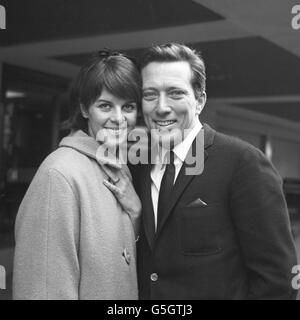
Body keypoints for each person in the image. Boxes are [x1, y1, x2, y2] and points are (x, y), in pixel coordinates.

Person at [136, 43, 298, 299]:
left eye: (176, 93)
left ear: (200, 100)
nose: (161, 107)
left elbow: (277, 280)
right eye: (150, 95)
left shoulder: (243, 162)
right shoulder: (138, 166)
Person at [13, 50, 142, 300]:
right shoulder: (59, 174)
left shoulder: (115, 166)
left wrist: (136, 212)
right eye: (105, 106)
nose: (118, 118)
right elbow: (45, 290)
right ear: (84, 108)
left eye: (127, 107)